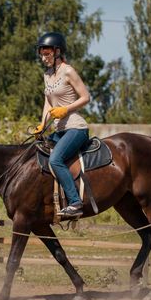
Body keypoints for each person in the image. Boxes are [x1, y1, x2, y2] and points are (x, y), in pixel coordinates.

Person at [33, 32, 90, 218]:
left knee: (55, 160)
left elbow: (86, 97)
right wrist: (42, 125)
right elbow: (48, 103)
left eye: (47, 53)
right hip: (59, 130)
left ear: (57, 52)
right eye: (41, 54)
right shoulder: (47, 75)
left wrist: (65, 109)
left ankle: (75, 203)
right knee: (36, 153)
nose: (44, 58)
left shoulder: (68, 71)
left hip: (76, 128)